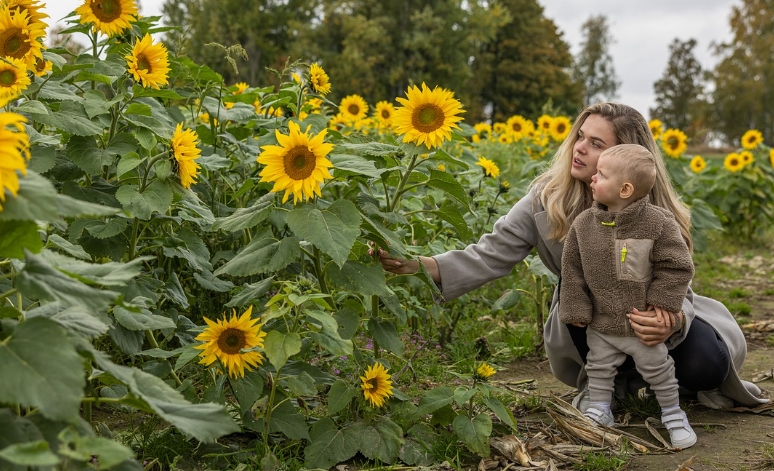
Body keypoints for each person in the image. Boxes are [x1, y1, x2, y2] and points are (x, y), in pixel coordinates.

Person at [371, 102, 769, 413]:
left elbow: (673, 274)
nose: (580, 147)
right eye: (581, 136)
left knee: (708, 365)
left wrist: (671, 317)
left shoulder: (655, 211)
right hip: (588, 320)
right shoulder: (547, 199)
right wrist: (415, 265)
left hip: (652, 317)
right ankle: (613, 384)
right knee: (583, 297)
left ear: (627, 160)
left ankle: (653, 378)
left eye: (597, 143)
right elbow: (489, 254)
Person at [559, 143, 696, 448]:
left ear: (624, 190)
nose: (592, 178)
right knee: (598, 366)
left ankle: (672, 413)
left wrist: (663, 302)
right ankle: (600, 408)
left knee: (658, 367)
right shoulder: (583, 226)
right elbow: (572, 271)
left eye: (601, 175)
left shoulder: (658, 222)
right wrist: (577, 309)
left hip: (642, 323)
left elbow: (676, 264)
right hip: (602, 322)